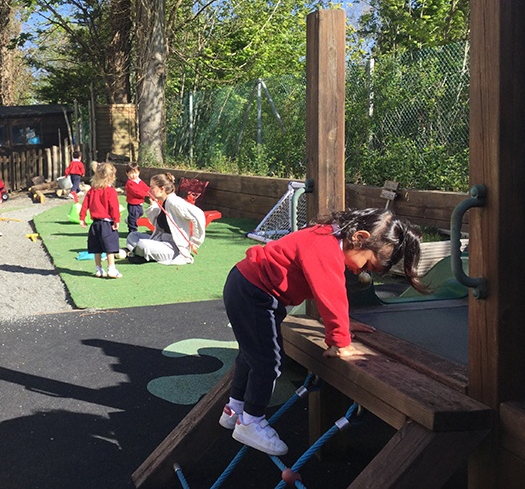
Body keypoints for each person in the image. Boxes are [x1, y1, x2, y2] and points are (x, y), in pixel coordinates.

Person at [218, 208, 425, 456]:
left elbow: (322, 292)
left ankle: (234, 409)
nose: (360, 271)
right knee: (268, 362)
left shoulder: (326, 236)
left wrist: (343, 324)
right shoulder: (325, 248)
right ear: (360, 237)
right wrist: (340, 341)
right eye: (367, 264)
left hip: (248, 286)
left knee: (250, 355)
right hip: (255, 292)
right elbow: (331, 293)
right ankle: (251, 421)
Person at [124, 173, 205, 265]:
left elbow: (198, 214)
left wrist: (195, 242)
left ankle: (137, 253)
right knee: (133, 236)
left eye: (152, 187)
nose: (149, 190)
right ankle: (140, 253)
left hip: (173, 247)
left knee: (143, 245)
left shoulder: (173, 202)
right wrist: (153, 205)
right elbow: (158, 224)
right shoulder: (164, 202)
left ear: (162, 189)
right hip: (160, 240)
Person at [80, 162, 122, 278]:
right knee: (110, 248)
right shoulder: (110, 191)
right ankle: (111, 269)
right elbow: (114, 207)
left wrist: (82, 217)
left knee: (97, 248)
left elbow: (85, 204)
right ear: (111, 177)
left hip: (95, 224)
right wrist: (116, 220)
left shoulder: (92, 190)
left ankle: (98, 269)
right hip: (107, 223)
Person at [124, 162, 151, 234]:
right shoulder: (130, 183)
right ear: (127, 174)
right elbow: (136, 192)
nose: (133, 175)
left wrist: (151, 192)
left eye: (135, 173)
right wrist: (146, 194)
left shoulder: (139, 181)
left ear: (139, 172)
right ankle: (132, 230)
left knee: (140, 213)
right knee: (134, 216)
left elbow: (145, 187)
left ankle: (129, 220)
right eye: (131, 173)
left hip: (139, 203)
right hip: (133, 203)